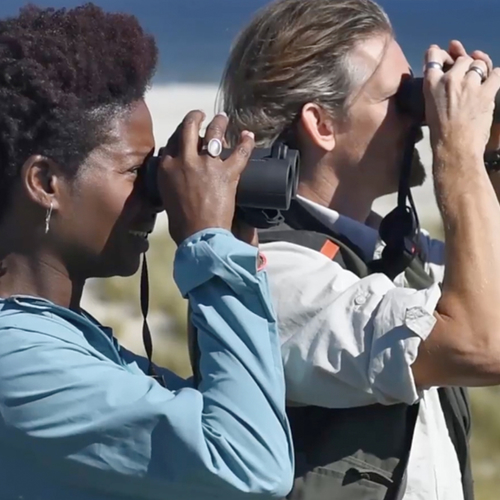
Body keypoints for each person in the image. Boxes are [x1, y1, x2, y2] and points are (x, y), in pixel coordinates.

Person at [0, 4, 294, 500]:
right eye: (137, 171)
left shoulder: (72, 345)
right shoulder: (19, 361)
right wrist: (213, 253)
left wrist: (232, 243)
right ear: (46, 182)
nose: (154, 200)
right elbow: (251, 465)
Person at [219, 0, 500, 499]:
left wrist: (489, 152)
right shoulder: (268, 274)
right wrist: (456, 157)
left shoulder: (401, 256)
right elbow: (483, 342)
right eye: (402, 99)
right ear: (322, 124)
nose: (419, 120)